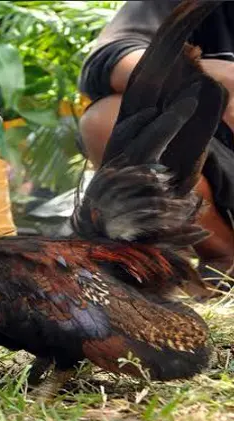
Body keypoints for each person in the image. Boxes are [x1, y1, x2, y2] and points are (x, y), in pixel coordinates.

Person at [78, 1, 234, 286]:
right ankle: (224, 255)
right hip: (220, 161)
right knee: (106, 119)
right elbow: (108, 59)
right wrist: (204, 77)